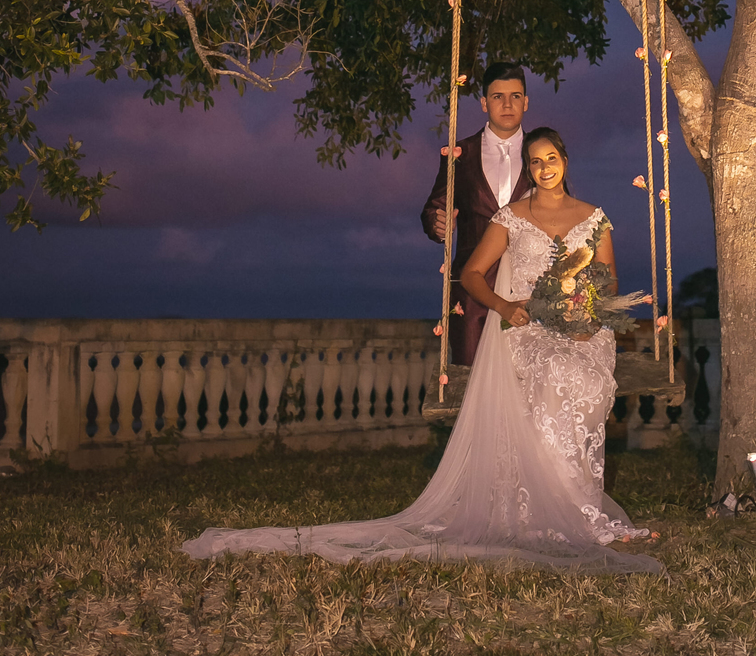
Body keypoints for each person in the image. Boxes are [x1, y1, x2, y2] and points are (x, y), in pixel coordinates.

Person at [181, 126, 659, 575]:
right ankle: (544, 511)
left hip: (582, 329)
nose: (543, 168)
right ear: (529, 170)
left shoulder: (593, 216)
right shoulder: (513, 218)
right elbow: (471, 274)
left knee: (588, 379)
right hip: (528, 326)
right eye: (534, 163)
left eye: (550, 158)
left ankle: (580, 507)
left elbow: (608, 280)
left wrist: (586, 318)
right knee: (555, 372)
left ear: (565, 160)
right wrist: (506, 305)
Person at [420, 62, 534, 365]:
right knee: (470, 382)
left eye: (515, 96)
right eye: (498, 96)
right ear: (484, 102)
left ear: (526, 101)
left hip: (531, 289)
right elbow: (434, 206)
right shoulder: (460, 153)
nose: (507, 104)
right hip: (473, 291)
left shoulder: (542, 152)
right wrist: (437, 222)